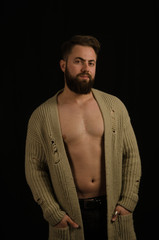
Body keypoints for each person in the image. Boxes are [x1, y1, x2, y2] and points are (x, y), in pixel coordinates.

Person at [25, 35, 141, 240]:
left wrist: (128, 201)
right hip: (71, 217)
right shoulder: (42, 116)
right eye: (78, 61)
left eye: (91, 63)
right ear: (63, 65)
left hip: (114, 212)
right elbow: (34, 168)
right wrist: (53, 213)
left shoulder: (115, 106)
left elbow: (131, 155)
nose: (85, 68)